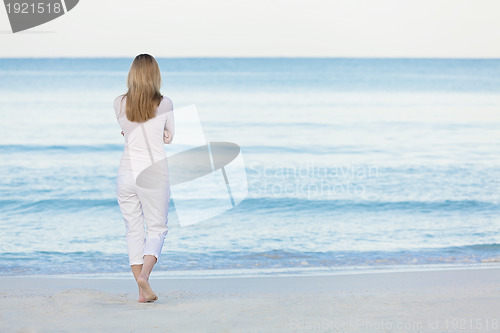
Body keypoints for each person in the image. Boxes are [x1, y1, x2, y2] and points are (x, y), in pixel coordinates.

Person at [114, 54, 174, 303]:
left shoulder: (118, 102)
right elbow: (169, 136)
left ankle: (141, 291)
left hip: (126, 173)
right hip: (152, 173)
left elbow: (126, 131)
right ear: (155, 75)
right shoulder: (165, 103)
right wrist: (163, 134)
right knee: (157, 228)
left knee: (133, 229)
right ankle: (145, 278)